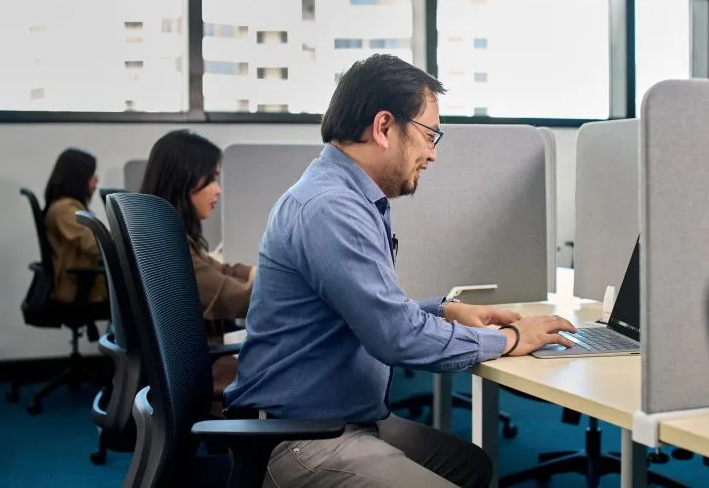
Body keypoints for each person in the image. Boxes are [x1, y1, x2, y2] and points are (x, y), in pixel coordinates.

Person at [224, 54, 577, 488]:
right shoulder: (330, 208)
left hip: (342, 418)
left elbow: (370, 311)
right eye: (430, 135)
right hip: (299, 436)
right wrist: (511, 339)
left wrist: (444, 311)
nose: (431, 154)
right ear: (384, 127)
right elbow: (395, 337)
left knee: (471, 467)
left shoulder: (349, 196)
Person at [139, 129, 255, 402]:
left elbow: (215, 270)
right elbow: (233, 299)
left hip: (183, 362)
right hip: (198, 370)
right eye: (212, 180)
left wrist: (254, 272)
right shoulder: (166, 248)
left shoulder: (161, 232)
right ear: (184, 180)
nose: (218, 190)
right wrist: (294, 279)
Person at [44, 148, 107, 304]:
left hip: (88, 283)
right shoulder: (64, 210)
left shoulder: (70, 207)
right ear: (78, 178)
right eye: (92, 176)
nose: (96, 182)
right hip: (80, 287)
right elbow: (95, 244)